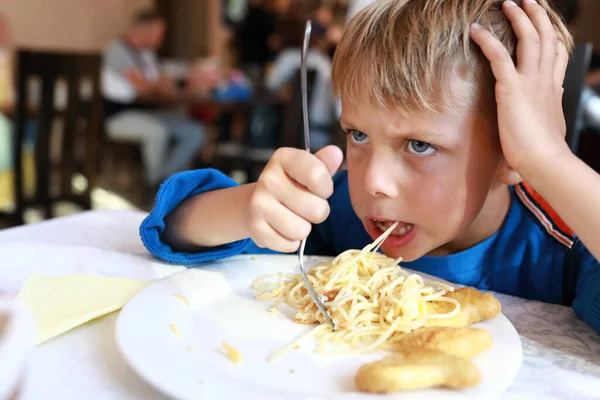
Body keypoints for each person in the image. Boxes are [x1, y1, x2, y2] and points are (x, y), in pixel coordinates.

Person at [139, 0, 600, 334]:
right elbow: (174, 227)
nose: (373, 182)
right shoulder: (338, 210)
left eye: (420, 144)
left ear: (511, 153)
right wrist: (248, 208)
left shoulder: (561, 247)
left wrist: (549, 161)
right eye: (358, 135)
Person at [102, 10, 206, 190]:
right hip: (118, 117)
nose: (160, 40)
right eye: (158, 34)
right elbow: (145, 86)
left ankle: (165, 180)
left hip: (148, 113)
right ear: (143, 31)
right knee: (158, 133)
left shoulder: (145, 54)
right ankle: (155, 188)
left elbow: (160, 80)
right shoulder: (117, 50)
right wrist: (164, 85)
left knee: (195, 132)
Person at [265, 22, 334, 151]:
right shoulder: (324, 63)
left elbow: (270, 84)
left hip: (289, 134)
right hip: (322, 135)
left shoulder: (288, 57)